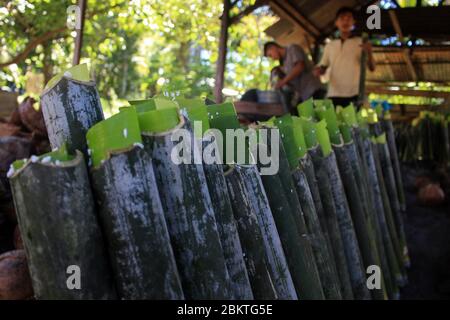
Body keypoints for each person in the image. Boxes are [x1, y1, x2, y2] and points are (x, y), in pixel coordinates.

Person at [313, 6, 376, 108]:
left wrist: (369, 52)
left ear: (353, 22)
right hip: (333, 93)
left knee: (352, 124)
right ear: (336, 22)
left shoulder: (361, 43)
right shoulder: (330, 45)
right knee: (334, 123)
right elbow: (323, 66)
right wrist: (319, 70)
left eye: (349, 18)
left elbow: (372, 68)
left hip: (355, 94)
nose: (345, 21)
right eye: (342, 18)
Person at [264, 42, 326, 107]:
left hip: (314, 90)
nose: (273, 58)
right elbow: (292, 81)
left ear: (273, 47)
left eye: (270, 55)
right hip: (305, 96)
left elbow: (300, 67)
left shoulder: (292, 49)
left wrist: (283, 81)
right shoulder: (284, 63)